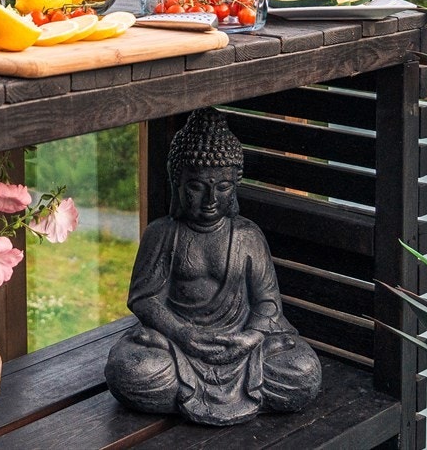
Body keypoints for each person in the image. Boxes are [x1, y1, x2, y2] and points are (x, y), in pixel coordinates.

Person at [105, 108, 322, 426]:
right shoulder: (163, 233)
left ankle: (200, 391)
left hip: (242, 346)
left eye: (222, 187)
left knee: (303, 371)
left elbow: (268, 303)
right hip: (178, 344)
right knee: (129, 368)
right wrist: (183, 333)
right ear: (177, 182)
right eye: (197, 187)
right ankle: (202, 389)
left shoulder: (248, 235)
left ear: (235, 185)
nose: (210, 199)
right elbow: (143, 298)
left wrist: (249, 338)